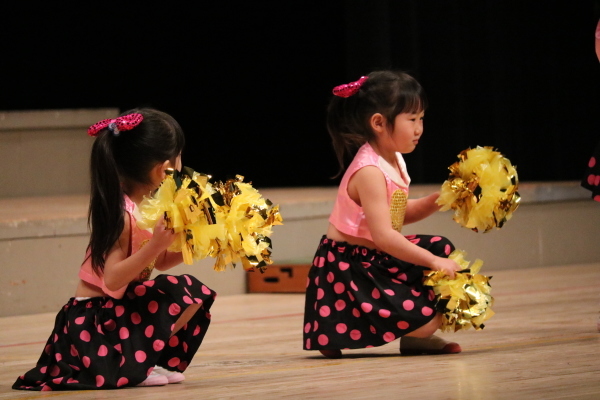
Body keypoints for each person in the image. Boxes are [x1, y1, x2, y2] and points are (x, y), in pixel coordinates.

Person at [13, 108, 216, 391]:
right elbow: (112, 280)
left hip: (116, 309)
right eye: (179, 156)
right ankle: (134, 364)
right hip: (94, 320)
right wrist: (156, 244)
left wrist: (202, 243)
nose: (182, 164)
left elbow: (160, 262)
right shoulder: (123, 215)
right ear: (163, 168)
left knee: (192, 294)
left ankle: (143, 360)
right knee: (178, 290)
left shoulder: (149, 208)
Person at [303, 71, 462, 359]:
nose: (419, 128)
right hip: (350, 266)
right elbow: (386, 235)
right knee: (429, 317)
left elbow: (398, 215)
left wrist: (438, 200)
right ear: (378, 123)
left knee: (441, 245)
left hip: (377, 257)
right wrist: (434, 262)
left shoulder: (395, 160)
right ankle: (339, 326)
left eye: (421, 119)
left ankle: (414, 337)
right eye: (411, 119)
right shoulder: (370, 171)